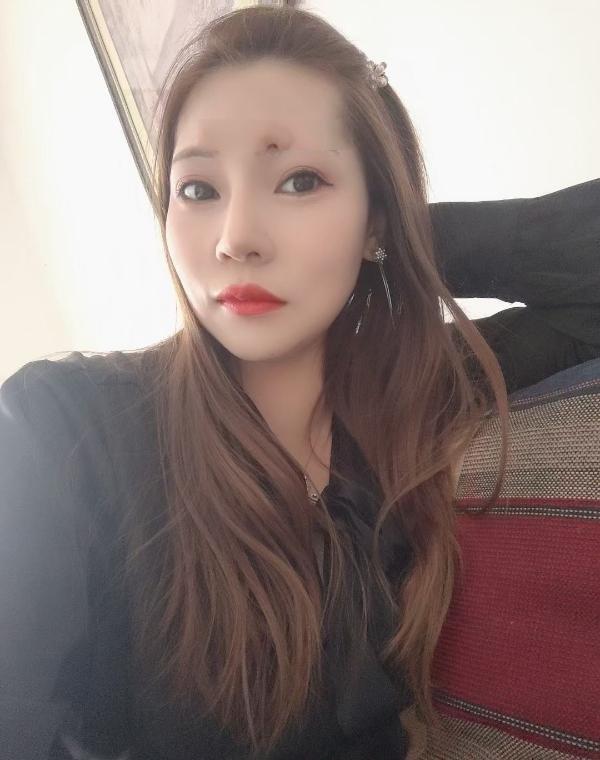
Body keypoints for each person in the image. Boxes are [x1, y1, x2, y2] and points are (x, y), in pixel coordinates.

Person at [0, 6, 598, 760]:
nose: (236, 238)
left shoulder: (415, 395)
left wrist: (399, 241)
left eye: (299, 180)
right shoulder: (58, 428)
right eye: (198, 189)